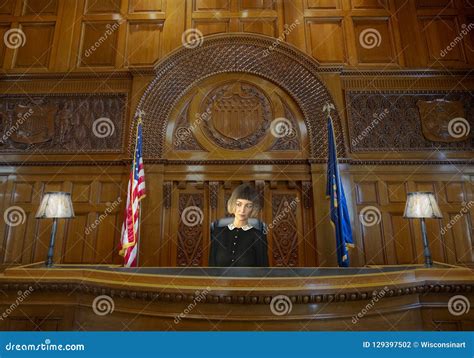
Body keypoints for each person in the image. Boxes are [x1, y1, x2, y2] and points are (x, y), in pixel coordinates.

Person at [209, 184, 269, 267]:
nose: (242, 210)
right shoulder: (217, 233)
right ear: (233, 204)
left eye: (248, 206)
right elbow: (211, 269)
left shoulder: (259, 236)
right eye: (239, 204)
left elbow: (263, 272)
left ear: (253, 209)